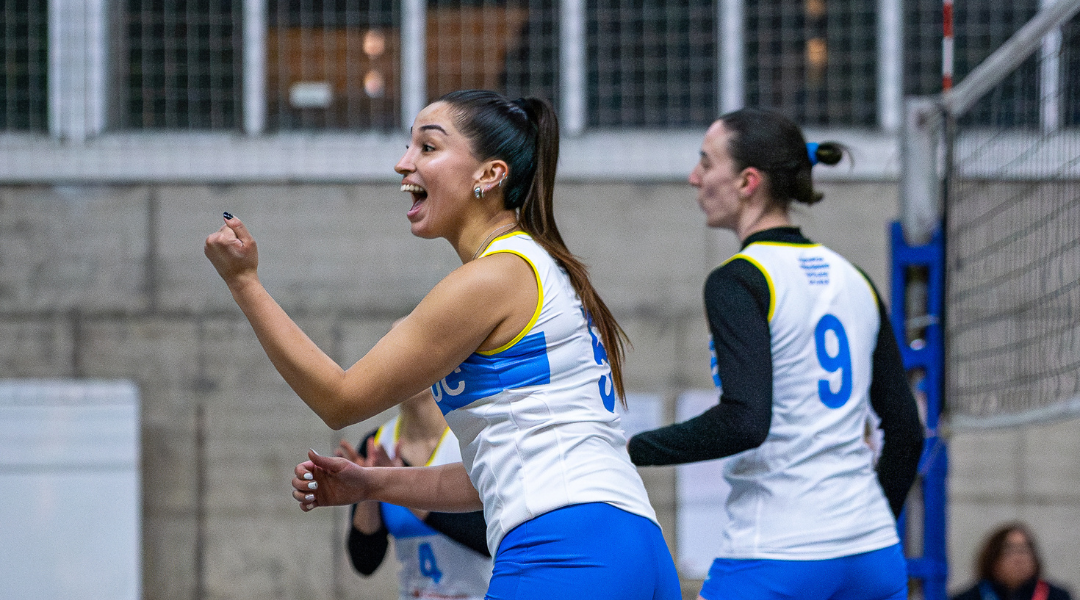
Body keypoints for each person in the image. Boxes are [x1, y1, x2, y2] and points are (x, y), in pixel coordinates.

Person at [204, 89, 680, 600]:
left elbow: (339, 400)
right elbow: (489, 479)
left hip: (563, 550)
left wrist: (245, 284)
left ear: (489, 175)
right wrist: (372, 485)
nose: (402, 163)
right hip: (634, 545)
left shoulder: (494, 276)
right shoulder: (540, 267)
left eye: (427, 148)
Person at [626, 108, 926, 600]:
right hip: (872, 554)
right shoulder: (856, 279)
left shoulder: (741, 279)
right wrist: (872, 529)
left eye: (706, 163)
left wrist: (628, 450)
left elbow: (746, 421)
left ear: (748, 181)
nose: (694, 178)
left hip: (780, 552)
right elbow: (907, 431)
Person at [341, 380, 491, 600]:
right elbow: (364, 562)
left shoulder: (473, 436)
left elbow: (487, 539)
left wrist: (403, 490)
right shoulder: (377, 444)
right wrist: (368, 493)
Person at [952, 523, 1072, 600]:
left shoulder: (1056, 596)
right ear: (993, 558)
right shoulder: (969, 597)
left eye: (1024, 550)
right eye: (1009, 550)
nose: (1018, 558)